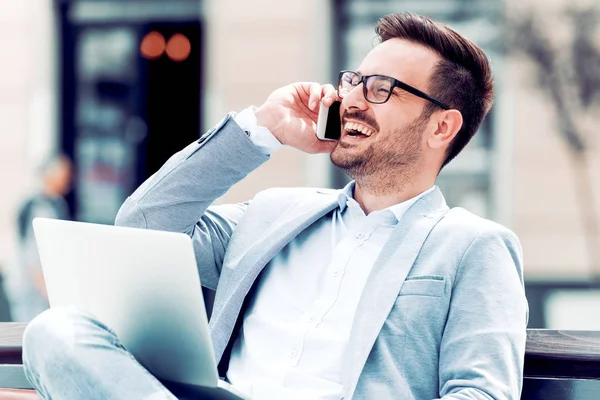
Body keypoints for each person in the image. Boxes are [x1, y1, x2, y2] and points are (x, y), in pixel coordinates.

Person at [22, 12, 528, 400]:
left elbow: (481, 392)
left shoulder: (473, 247)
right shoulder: (272, 214)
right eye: (354, 80)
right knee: (56, 332)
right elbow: (145, 222)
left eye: (381, 90)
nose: (351, 99)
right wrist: (261, 128)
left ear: (442, 126)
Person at [6, 154, 72, 322]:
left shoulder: (55, 203)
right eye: (63, 172)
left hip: (38, 287)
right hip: (31, 289)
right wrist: (47, 291)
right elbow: (33, 253)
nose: (68, 177)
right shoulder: (40, 207)